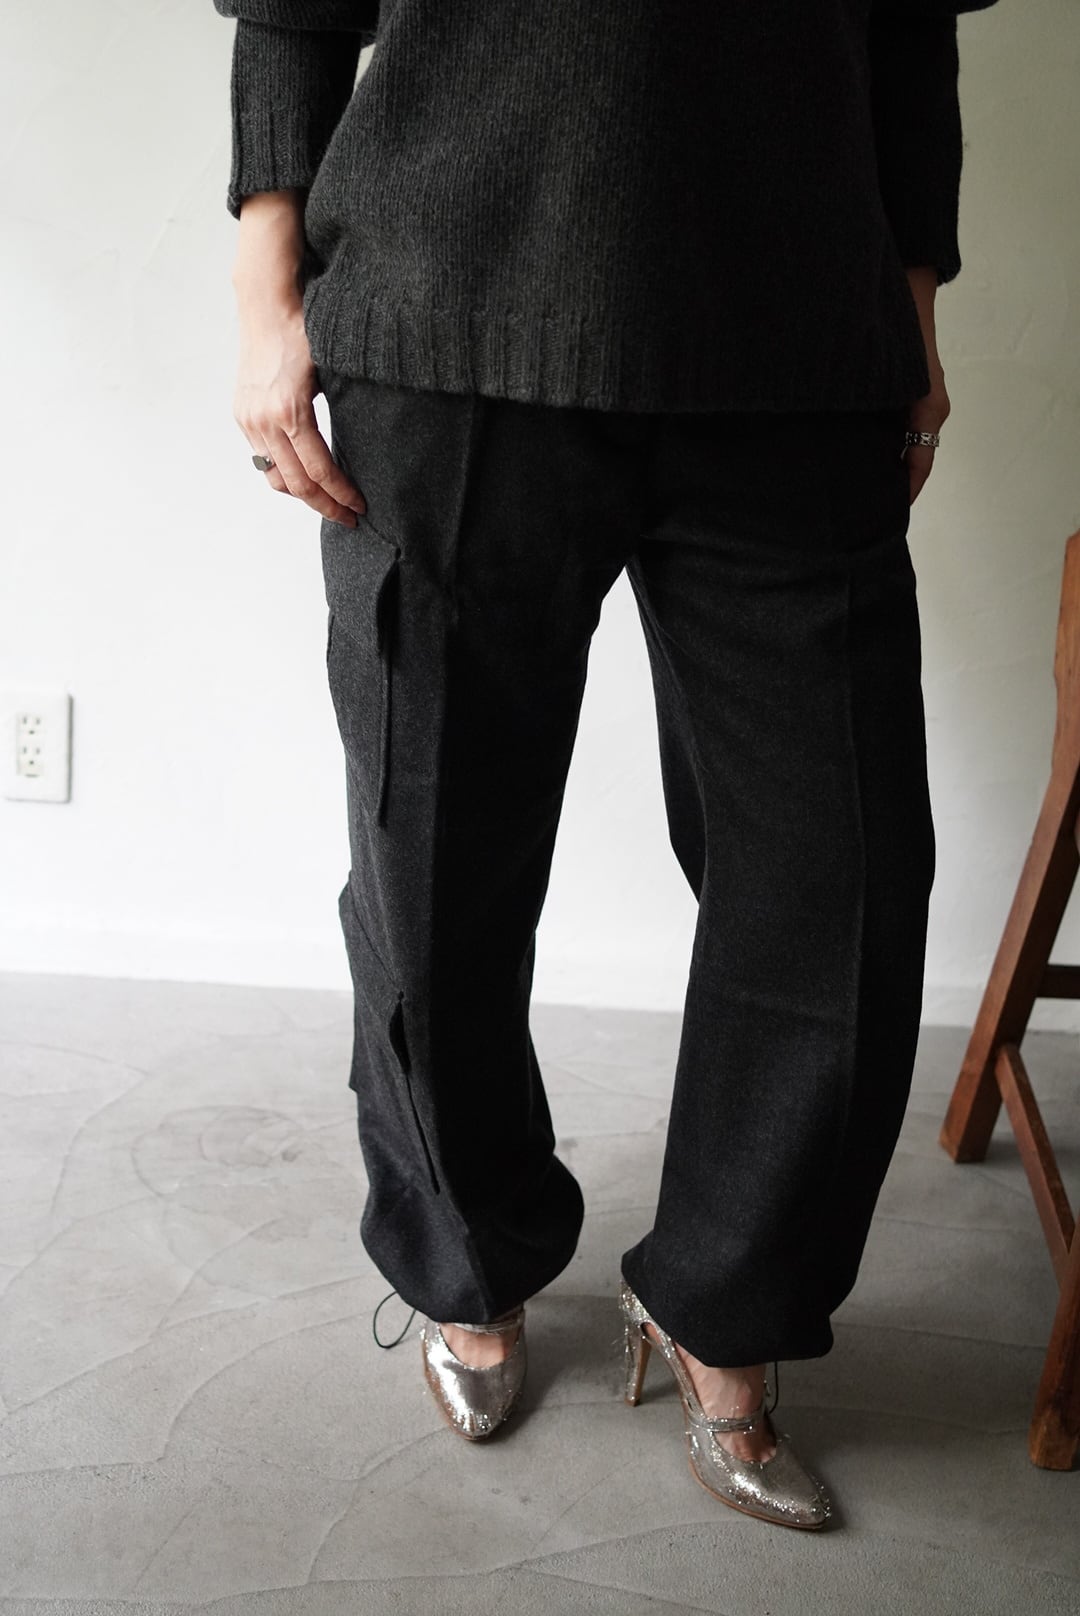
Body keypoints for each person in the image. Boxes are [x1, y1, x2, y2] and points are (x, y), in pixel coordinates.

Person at [213, 0, 998, 1531]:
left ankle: (729, 1301)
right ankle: (469, 1262)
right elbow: (289, 9)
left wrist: (911, 299)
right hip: (448, 324)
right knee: (431, 862)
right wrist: (265, 301)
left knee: (834, 874)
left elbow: (911, 25)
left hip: (801, 350)